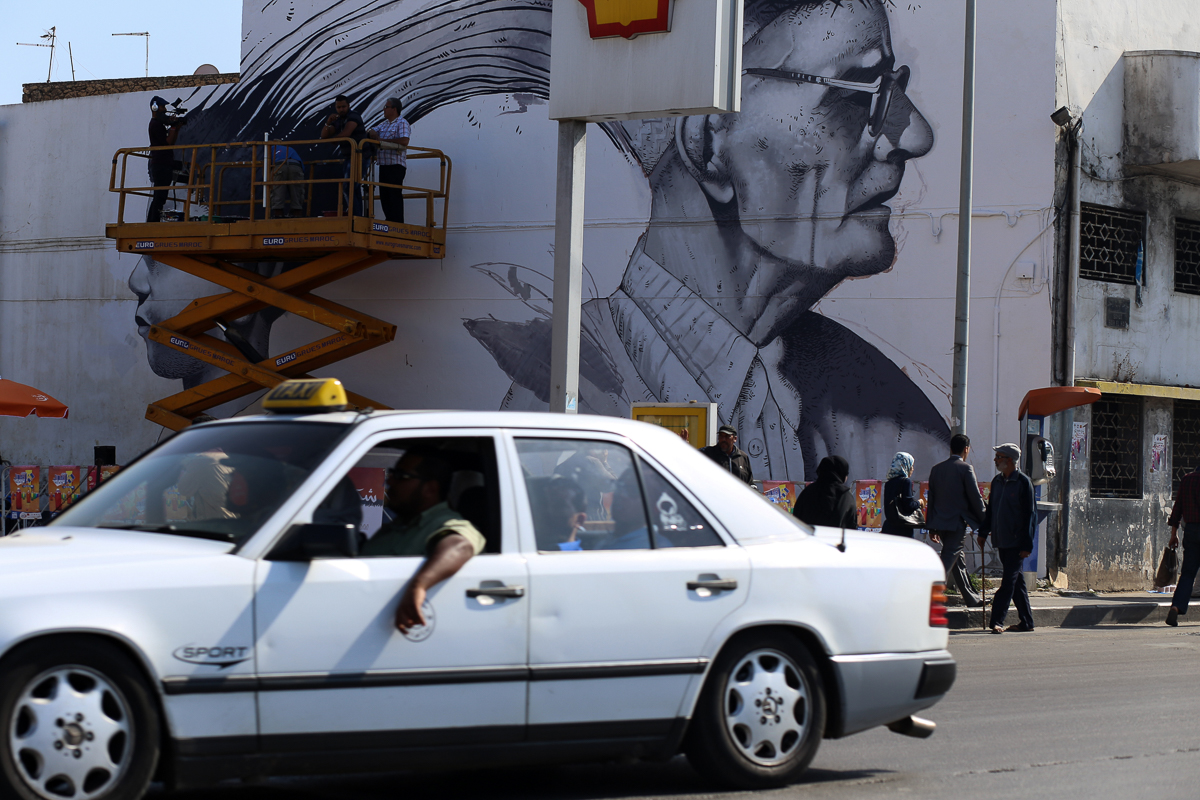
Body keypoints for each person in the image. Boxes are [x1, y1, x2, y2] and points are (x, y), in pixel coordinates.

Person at [466, 0, 949, 483]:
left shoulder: (884, 405)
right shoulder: (567, 391)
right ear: (709, 143)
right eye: (860, 93)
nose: (915, 136)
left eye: (895, 88)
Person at [359, 444, 487, 633]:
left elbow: (459, 546)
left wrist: (418, 586)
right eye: (393, 473)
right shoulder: (398, 526)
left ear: (429, 489)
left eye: (402, 476)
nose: (390, 481)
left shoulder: (446, 524)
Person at [977, 443, 1036, 634]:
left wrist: (1027, 544)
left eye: (999, 457)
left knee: (1008, 582)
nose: (995, 460)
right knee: (1017, 582)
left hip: (1017, 541)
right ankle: (1027, 622)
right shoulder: (997, 481)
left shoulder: (1023, 482)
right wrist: (983, 532)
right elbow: (991, 510)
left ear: (1009, 460)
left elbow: (1030, 515)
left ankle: (997, 620)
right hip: (1001, 539)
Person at [927, 433, 986, 607]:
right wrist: (985, 520)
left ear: (951, 448)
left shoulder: (936, 469)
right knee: (947, 559)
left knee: (958, 560)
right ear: (966, 449)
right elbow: (975, 498)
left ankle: (971, 598)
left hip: (940, 522)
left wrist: (931, 526)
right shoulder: (966, 469)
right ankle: (929, 596)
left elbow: (932, 499)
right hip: (956, 523)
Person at [319, 95, 369, 216]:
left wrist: (334, 140)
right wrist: (328, 123)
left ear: (348, 106)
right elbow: (324, 135)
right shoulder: (338, 120)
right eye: (338, 107)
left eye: (343, 107)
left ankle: (355, 215)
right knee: (353, 186)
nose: (341, 109)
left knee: (350, 186)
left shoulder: (354, 116)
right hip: (349, 157)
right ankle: (356, 214)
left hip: (360, 155)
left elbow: (346, 133)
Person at [1165, 465, 1200, 626]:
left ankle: (1176, 607)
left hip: (1191, 530)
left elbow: (1177, 507)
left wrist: (1174, 534)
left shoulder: (1187, 479)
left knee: (1187, 573)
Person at [368, 97, 411, 223]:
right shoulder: (384, 124)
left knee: (394, 195)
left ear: (394, 109)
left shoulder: (402, 123)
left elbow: (404, 141)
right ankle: (389, 220)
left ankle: (397, 222)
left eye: (386, 107)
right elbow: (371, 130)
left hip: (395, 165)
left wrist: (382, 141)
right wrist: (372, 132)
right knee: (384, 195)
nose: (384, 109)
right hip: (384, 165)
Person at [792, 455, 856, 529]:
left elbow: (796, 518)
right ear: (841, 474)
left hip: (810, 538)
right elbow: (851, 526)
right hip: (835, 539)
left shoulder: (807, 492)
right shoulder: (845, 496)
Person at [146, 96, 183, 222]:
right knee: (159, 196)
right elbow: (168, 143)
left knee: (160, 196)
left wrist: (176, 128)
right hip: (161, 164)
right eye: (162, 107)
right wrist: (173, 127)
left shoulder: (157, 124)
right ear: (155, 108)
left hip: (163, 163)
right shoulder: (156, 125)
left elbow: (170, 142)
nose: (165, 109)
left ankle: (152, 221)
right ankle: (152, 221)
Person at [529, 475, 587, 551]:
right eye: (543, 505)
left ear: (579, 520)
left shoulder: (586, 560)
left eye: (558, 506)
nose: (547, 511)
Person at [881, 452, 923, 538]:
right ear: (905, 465)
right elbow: (908, 505)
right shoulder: (906, 482)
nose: (912, 469)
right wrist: (919, 502)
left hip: (889, 527)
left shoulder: (889, 483)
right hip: (903, 529)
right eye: (911, 466)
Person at [270, 144, 306, 218]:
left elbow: (267, 166)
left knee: (277, 190)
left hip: (279, 165)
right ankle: (296, 212)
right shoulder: (289, 148)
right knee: (297, 191)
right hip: (296, 165)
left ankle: (278, 213)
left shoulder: (269, 149)